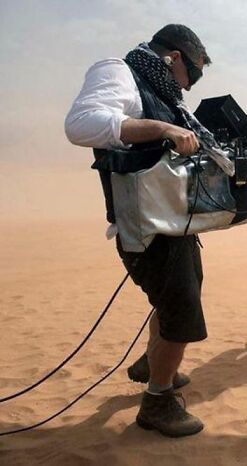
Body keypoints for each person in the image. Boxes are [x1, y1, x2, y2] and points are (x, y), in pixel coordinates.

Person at [65, 24, 212, 437]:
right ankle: (158, 401)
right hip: (145, 228)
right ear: (176, 57)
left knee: (179, 297)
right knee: (181, 310)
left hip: (173, 223)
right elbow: (81, 124)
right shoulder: (120, 72)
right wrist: (163, 129)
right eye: (195, 71)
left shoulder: (167, 96)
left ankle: (152, 362)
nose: (193, 83)